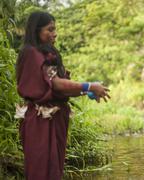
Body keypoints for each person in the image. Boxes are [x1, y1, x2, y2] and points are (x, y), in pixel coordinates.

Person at [16, 11, 110, 180]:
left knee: (53, 168)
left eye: (55, 29)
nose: (55, 33)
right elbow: (56, 83)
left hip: (54, 118)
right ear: (36, 30)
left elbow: (59, 89)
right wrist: (89, 85)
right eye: (50, 29)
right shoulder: (32, 54)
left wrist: (86, 91)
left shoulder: (47, 53)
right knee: (40, 168)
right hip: (40, 121)